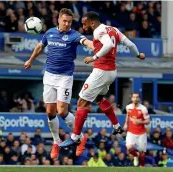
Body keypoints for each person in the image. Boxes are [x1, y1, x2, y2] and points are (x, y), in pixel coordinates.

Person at [59, 11, 145, 156]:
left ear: (92, 22)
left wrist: (94, 57)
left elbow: (109, 44)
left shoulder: (99, 31)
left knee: (82, 102)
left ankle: (75, 137)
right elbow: (130, 44)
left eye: (84, 23)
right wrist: (138, 54)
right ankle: (117, 126)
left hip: (101, 71)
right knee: (99, 99)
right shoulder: (113, 30)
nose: (83, 25)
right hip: (111, 72)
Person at [24, 8, 93, 159]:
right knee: (50, 111)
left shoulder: (74, 35)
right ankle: (56, 142)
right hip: (49, 76)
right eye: (65, 21)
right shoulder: (49, 33)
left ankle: (80, 137)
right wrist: (30, 60)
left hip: (65, 77)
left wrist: (97, 48)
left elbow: (86, 42)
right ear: (58, 20)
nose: (67, 24)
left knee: (62, 111)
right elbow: (39, 46)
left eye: (70, 21)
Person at [123, 93, 150, 166]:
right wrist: (126, 124)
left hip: (141, 133)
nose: (135, 99)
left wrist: (140, 121)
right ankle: (135, 155)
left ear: (139, 99)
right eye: (134, 97)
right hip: (131, 132)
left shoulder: (143, 109)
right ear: (131, 98)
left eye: (137, 97)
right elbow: (128, 115)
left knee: (142, 152)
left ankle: (142, 167)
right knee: (129, 148)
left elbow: (148, 121)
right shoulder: (128, 107)